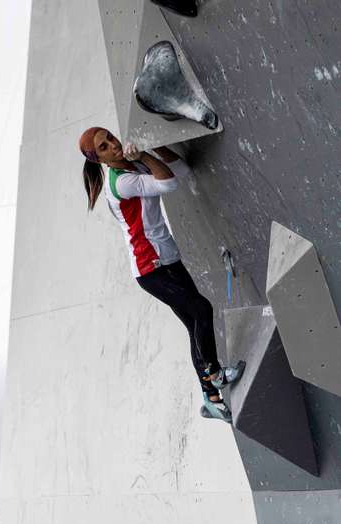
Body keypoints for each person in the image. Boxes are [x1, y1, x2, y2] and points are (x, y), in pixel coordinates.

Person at [79, 127, 243, 421]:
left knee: (194, 325)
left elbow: (177, 170)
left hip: (167, 257)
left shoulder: (135, 165)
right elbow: (168, 185)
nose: (113, 145)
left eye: (111, 138)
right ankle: (216, 374)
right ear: (100, 160)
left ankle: (211, 400)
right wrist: (145, 154)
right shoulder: (123, 182)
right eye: (104, 147)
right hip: (150, 269)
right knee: (201, 309)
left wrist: (155, 147)